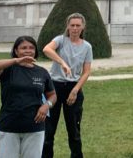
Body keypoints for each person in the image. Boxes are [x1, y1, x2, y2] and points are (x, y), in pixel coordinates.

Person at [0, 36, 56, 158]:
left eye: (31, 48)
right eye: (23, 48)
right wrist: (15, 61)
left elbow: (52, 95)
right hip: (9, 125)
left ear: (35, 51)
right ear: (16, 51)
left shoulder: (42, 72)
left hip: (35, 126)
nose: (28, 50)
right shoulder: (8, 69)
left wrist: (47, 105)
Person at [42, 13, 93, 158]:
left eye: (78, 25)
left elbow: (86, 72)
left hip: (73, 88)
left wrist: (75, 90)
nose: (75, 28)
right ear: (68, 26)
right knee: (48, 129)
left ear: (83, 27)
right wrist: (62, 62)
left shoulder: (87, 47)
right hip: (54, 88)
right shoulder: (60, 40)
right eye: (72, 25)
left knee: (74, 130)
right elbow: (47, 49)